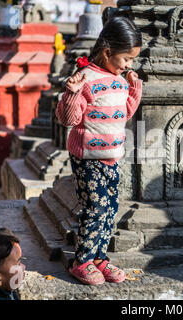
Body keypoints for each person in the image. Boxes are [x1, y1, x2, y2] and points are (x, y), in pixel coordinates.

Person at [56, 16, 143, 285]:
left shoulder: (119, 80)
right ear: (107, 52)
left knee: (110, 208)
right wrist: (71, 93)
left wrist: (134, 87)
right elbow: (68, 119)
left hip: (111, 157)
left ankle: (99, 258)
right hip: (87, 158)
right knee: (95, 208)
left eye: (132, 60)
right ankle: (81, 261)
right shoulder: (86, 78)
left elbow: (126, 112)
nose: (129, 64)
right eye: (126, 58)